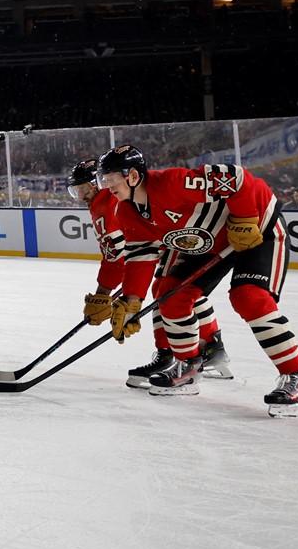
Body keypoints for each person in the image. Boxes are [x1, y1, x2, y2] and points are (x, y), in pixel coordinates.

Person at [97, 144, 298, 417]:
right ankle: (187, 365)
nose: (107, 186)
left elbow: (236, 178)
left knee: (249, 296)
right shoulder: (126, 212)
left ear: (132, 176)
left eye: (111, 178)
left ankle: (297, 376)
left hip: (258, 229)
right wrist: (131, 301)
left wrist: (245, 218)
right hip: (212, 244)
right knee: (171, 295)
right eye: (103, 180)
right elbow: (140, 258)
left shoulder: (172, 183)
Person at [66, 158, 231, 388]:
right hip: (172, 238)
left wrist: (103, 294)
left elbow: (115, 258)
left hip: (171, 240)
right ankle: (211, 347)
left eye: (84, 189)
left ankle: (171, 354)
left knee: (168, 291)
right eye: (76, 191)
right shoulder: (112, 197)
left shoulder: (105, 204)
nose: (81, 196)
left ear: (98, 183)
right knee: (175, 292)